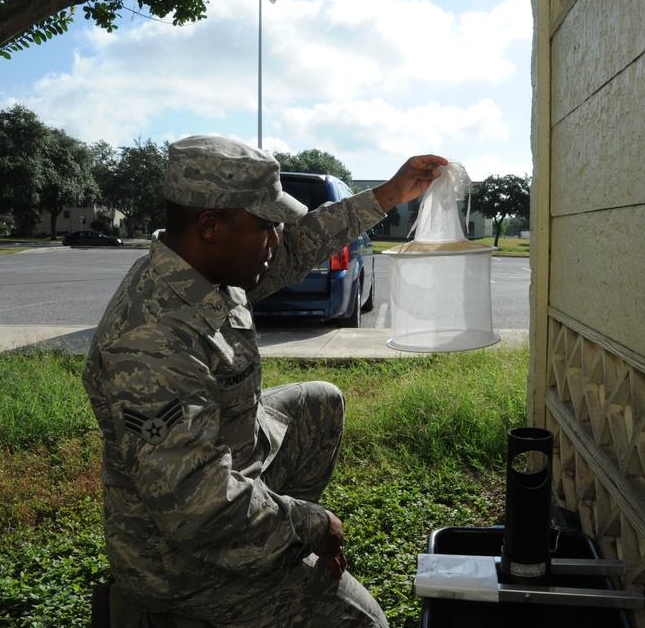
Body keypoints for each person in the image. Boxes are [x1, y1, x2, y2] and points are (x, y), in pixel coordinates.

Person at [83, 135, 448, 628]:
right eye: (266, 227)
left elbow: (300, 245)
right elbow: (196, 504)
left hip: (226, 465)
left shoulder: (205, 268)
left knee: (320, 404)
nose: (277, 239)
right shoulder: (151, 341)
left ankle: (269, 548)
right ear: (211, 225)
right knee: (366, 623)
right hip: (182, 561)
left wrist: (388, 193)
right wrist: (311, 525)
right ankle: (173, 612)